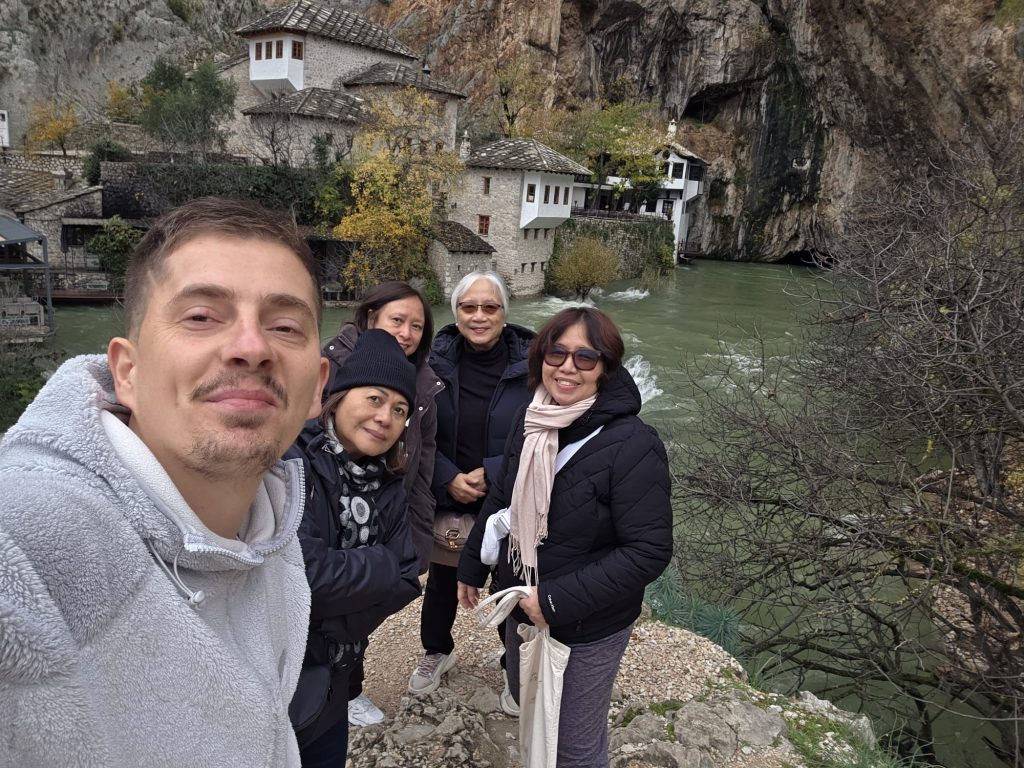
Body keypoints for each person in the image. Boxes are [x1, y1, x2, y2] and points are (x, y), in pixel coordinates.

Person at [0, 197, 329, 767]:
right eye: (201, 317)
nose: (252, 347)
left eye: (284, 326)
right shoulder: (26, 545)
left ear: (318, 388)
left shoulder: (273, 526)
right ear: (127, 371)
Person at [456, 306, 672, 768]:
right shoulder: (532, 417)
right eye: (557, 353)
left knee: (573, 746)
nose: (568, 367)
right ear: (541, 358)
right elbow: (504, 495)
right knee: (526, 704)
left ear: (605, 367)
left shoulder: (634, 444)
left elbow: (648, 551)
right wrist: (473, 563)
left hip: (586, 625)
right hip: (521, 602)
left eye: (585, 357)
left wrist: (554, 601)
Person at [286, 329, 421, 766]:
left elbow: (408, 579)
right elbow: (302, 578)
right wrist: (381, 563)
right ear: (338, 397)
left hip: (336, 674)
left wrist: (331, 628)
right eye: (375, 399)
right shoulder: (293, 461)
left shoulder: (389, 484)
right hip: (278, 675)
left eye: (399, 410)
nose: (386, 417)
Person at [408, 271, 535, 712]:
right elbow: (417, 430)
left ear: (504, 314)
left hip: (509, 491)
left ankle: (513, 664)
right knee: (443, 579)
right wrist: (447, 477)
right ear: (456, 312)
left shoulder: (534, 365)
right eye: (469, 307)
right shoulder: (432, 363)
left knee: (511, 582)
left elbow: (542, 433)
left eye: (490, 307)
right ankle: (437, 650)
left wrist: (493, 472)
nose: (479, 315)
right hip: (450, 490)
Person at [320, 281, 441, 726]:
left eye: (416, 326)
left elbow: (423, 464)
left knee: (361, 609)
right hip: (335, 501)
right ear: (371, 317)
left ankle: (346, 686)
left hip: (388, 500)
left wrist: (418, 532)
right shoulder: (329, 368)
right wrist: (388, 565)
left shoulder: (424, 384)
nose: (406, 333)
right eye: (397, 320)